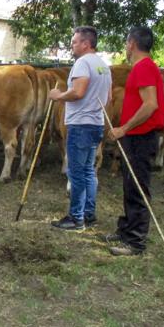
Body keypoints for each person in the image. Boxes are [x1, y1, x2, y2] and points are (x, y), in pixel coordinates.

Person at [106, 26, 164, 256]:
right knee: (130, 185)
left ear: (131, 43)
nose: (125, 47)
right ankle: (125, 230)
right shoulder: (144, 67)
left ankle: (135, 242)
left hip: (141, 137)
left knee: (138, 188)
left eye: (126, 42)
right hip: (135, 136)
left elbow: (150, 104)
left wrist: (124, 128)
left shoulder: (143, 68)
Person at [49, 26, 112, 231]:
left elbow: (77, 92)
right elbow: (109, 98)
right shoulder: (104, 66)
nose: (72, 45)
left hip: (80, 124)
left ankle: (76, 218)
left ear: (86, 43)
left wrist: (58, 96)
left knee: (76, 173)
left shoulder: (82, 63)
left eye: (75, 41)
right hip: (95, 123)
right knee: (88, 171)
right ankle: (88, 214)